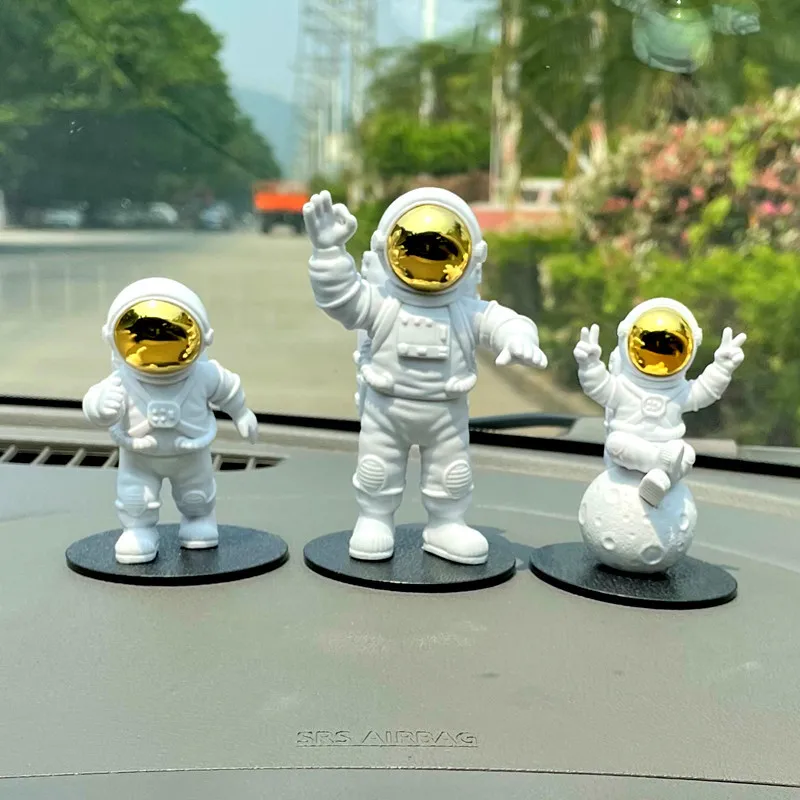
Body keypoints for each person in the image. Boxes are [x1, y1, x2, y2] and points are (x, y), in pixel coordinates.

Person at [304, 188, 547, 565]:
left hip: (446, 416)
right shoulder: (381, 305)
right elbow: (342, 299)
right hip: (386, 411)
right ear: (386, 248)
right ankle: (374, 518)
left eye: (443, 248)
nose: (429, 256)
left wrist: (519, 338)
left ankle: (446, 524)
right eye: (415, 247)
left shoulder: (465, 311)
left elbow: (503, 320)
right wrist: (329, 253)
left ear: (472, 256)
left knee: (451, 476)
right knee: (376, 472)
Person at [82, 277, 259, 563]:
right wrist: (102, 408)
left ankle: (198, 521)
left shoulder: (203, 375)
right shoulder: (121, 380)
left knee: (197, 495)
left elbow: (228, 388)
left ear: (203, 337)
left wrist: (241, 413)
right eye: (141, 334)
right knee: (135, 499)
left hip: (190, 453)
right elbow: (93, 402)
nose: (156, 341)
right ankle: (138, 530)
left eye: (171, 332)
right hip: (139, 456)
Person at [573, 297, 746, 507]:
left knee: (687, 454)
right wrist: (590, 365)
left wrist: (722, 368)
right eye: (649, 345)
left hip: (669, 445)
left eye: (670, 349)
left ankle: (659, 479)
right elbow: (599, 387)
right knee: (615, 444)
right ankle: (661, 470)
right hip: (629, 447)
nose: (659, 355)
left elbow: (705, 391)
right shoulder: (624, 387)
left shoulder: (679, 390)